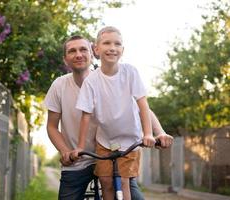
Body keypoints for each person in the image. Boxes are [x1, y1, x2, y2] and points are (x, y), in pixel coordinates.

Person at [44, 35, 173, 200]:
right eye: (72, 51)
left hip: (114, 154)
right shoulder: (59, 86)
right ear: (65, 59)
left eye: (83, 49)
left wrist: (159, 132)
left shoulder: (110, 80)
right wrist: (65, 151)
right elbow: (52, 126)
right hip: (79, 159)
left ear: (92, 53)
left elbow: (141, 108)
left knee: (135, 197)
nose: (78, 54)